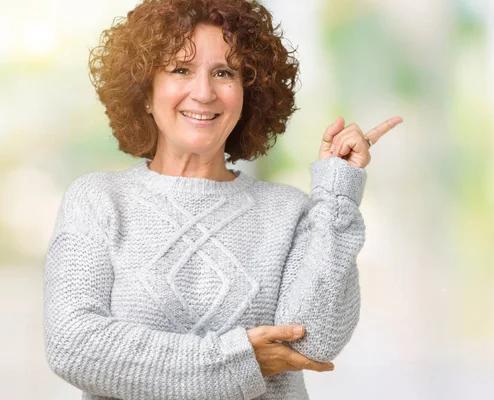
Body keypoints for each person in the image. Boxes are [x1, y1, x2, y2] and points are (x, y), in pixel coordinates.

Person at [43, 0, 402, 399]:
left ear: (248, 92)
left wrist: (337, 187)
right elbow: (73, 344)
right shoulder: (98, 201)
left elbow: (312, 343)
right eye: (181, 69)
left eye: (223, 73)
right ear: (144, 91)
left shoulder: (288, 212)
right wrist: (244, 359)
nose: (204, 92)